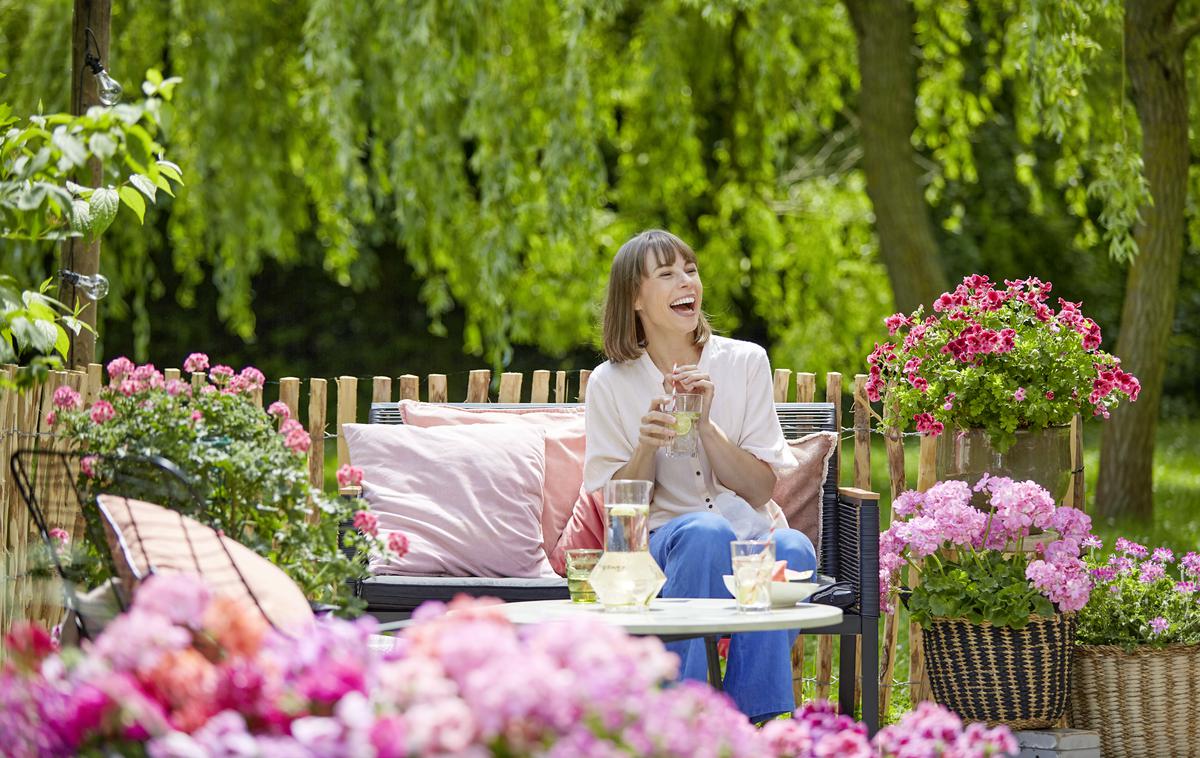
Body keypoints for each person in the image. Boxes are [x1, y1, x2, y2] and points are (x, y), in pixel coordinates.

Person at [583, 228, 816, 722]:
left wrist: (706, 425)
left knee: (795, 550)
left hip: (745, 537)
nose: (685, 281)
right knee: (705, 532)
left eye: (689, 269)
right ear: (635, 298)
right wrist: (646, 446)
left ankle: (747, 722)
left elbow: (760, 489)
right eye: (666, 274)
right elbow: (620, 509)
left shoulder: (745, 361)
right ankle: (681, 719)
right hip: (665, 546)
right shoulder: (610, 383)